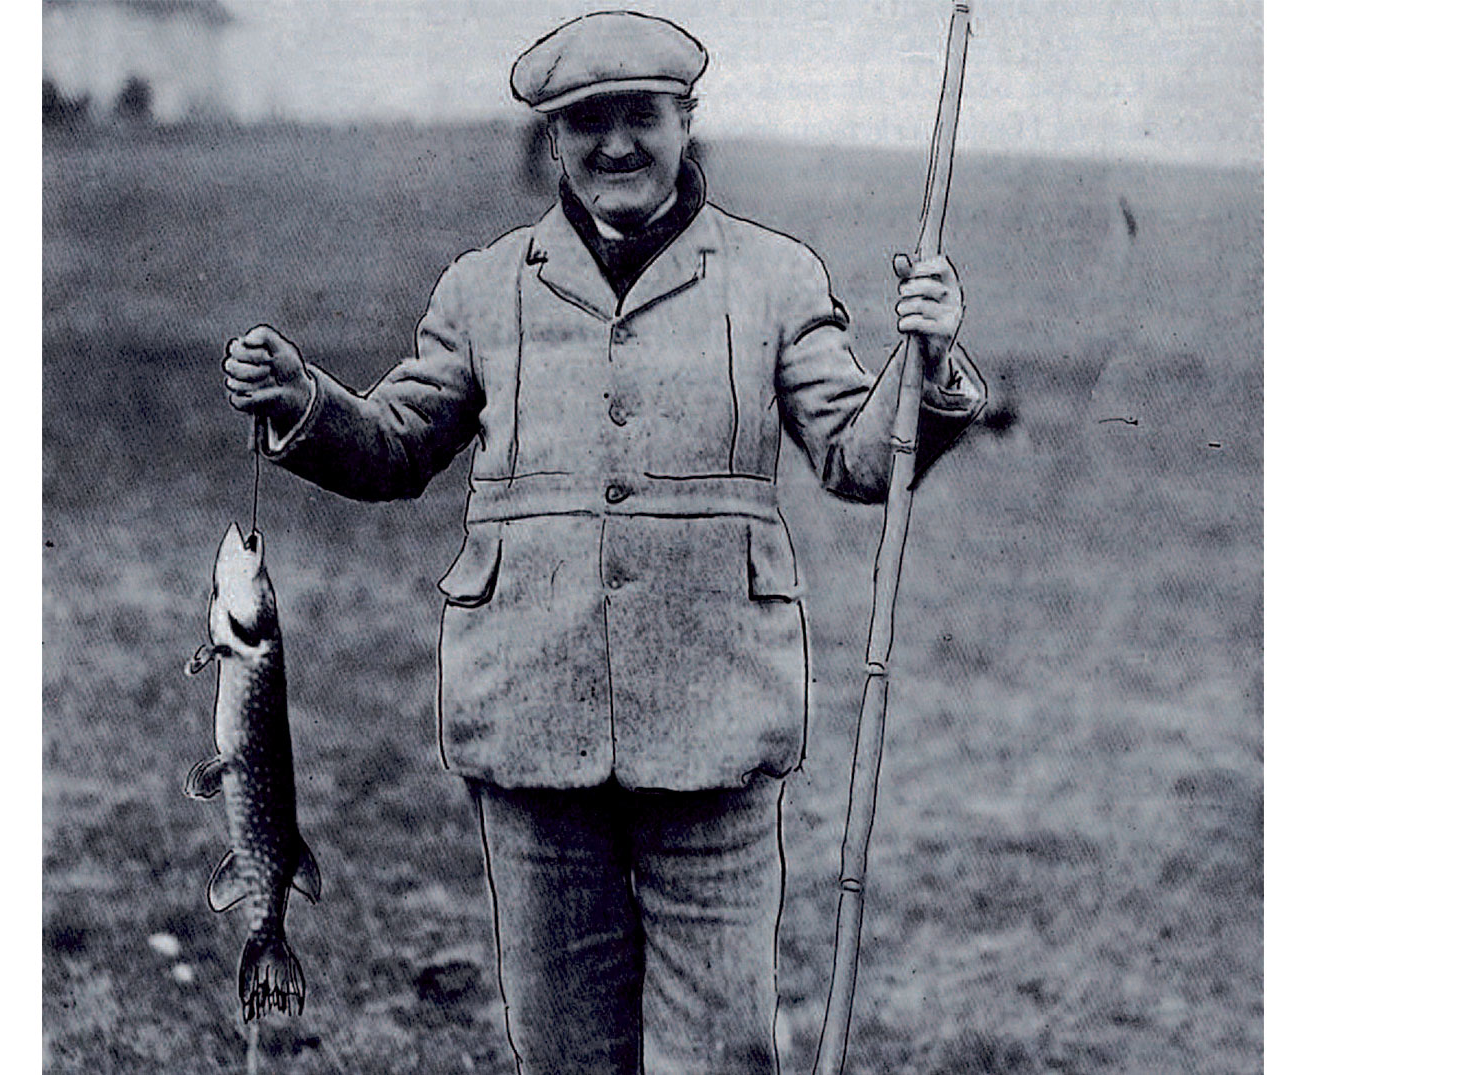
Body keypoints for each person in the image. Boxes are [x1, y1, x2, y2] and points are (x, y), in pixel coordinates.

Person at [222, 11, 986, 1073]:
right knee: (562, 1053)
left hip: (716, 728)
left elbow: (860, 458)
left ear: (687, 122)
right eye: (586, 122)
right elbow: (395, 446)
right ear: (552, 138)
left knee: (720, 1055)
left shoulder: (775, 279)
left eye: (641, 117)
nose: (615, 143)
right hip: (531, 727)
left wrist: (926, 363)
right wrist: (305, 399)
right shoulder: (483, 287)